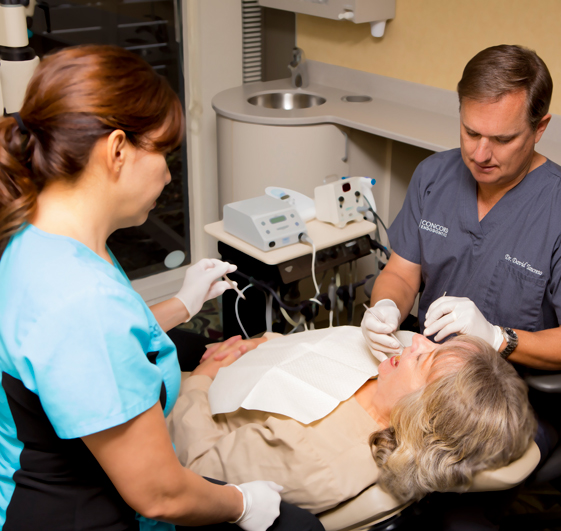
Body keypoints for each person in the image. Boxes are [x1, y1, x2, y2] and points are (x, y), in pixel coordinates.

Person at [0, 45, 322, 531]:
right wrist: (243, 502)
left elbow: (84, 353)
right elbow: (160, 494)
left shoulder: (37, 237)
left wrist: (183, 303)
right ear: (116, 150)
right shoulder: (80, 300)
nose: (169, 176)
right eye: (164, 153)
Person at [361, 43, 561, 530]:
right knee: (353, 454)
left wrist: (498, 339)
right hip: (427, 373)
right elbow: (403, 271)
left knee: (449, 509)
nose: (480, 154)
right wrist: (385, 304)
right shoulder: (433, 178)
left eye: (502, 139)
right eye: (470, 132)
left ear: (540, 127)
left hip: (511, 400)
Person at [167, 328, 537, 514]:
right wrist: (264, 342)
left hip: (186, 412)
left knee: (168, 342)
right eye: (436, 345)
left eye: (425, 359)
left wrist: (203, 377)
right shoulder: (390, 381)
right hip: (242, 368)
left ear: (422, 415)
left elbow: (196, 467)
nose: (418, 340)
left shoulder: (312, 456)